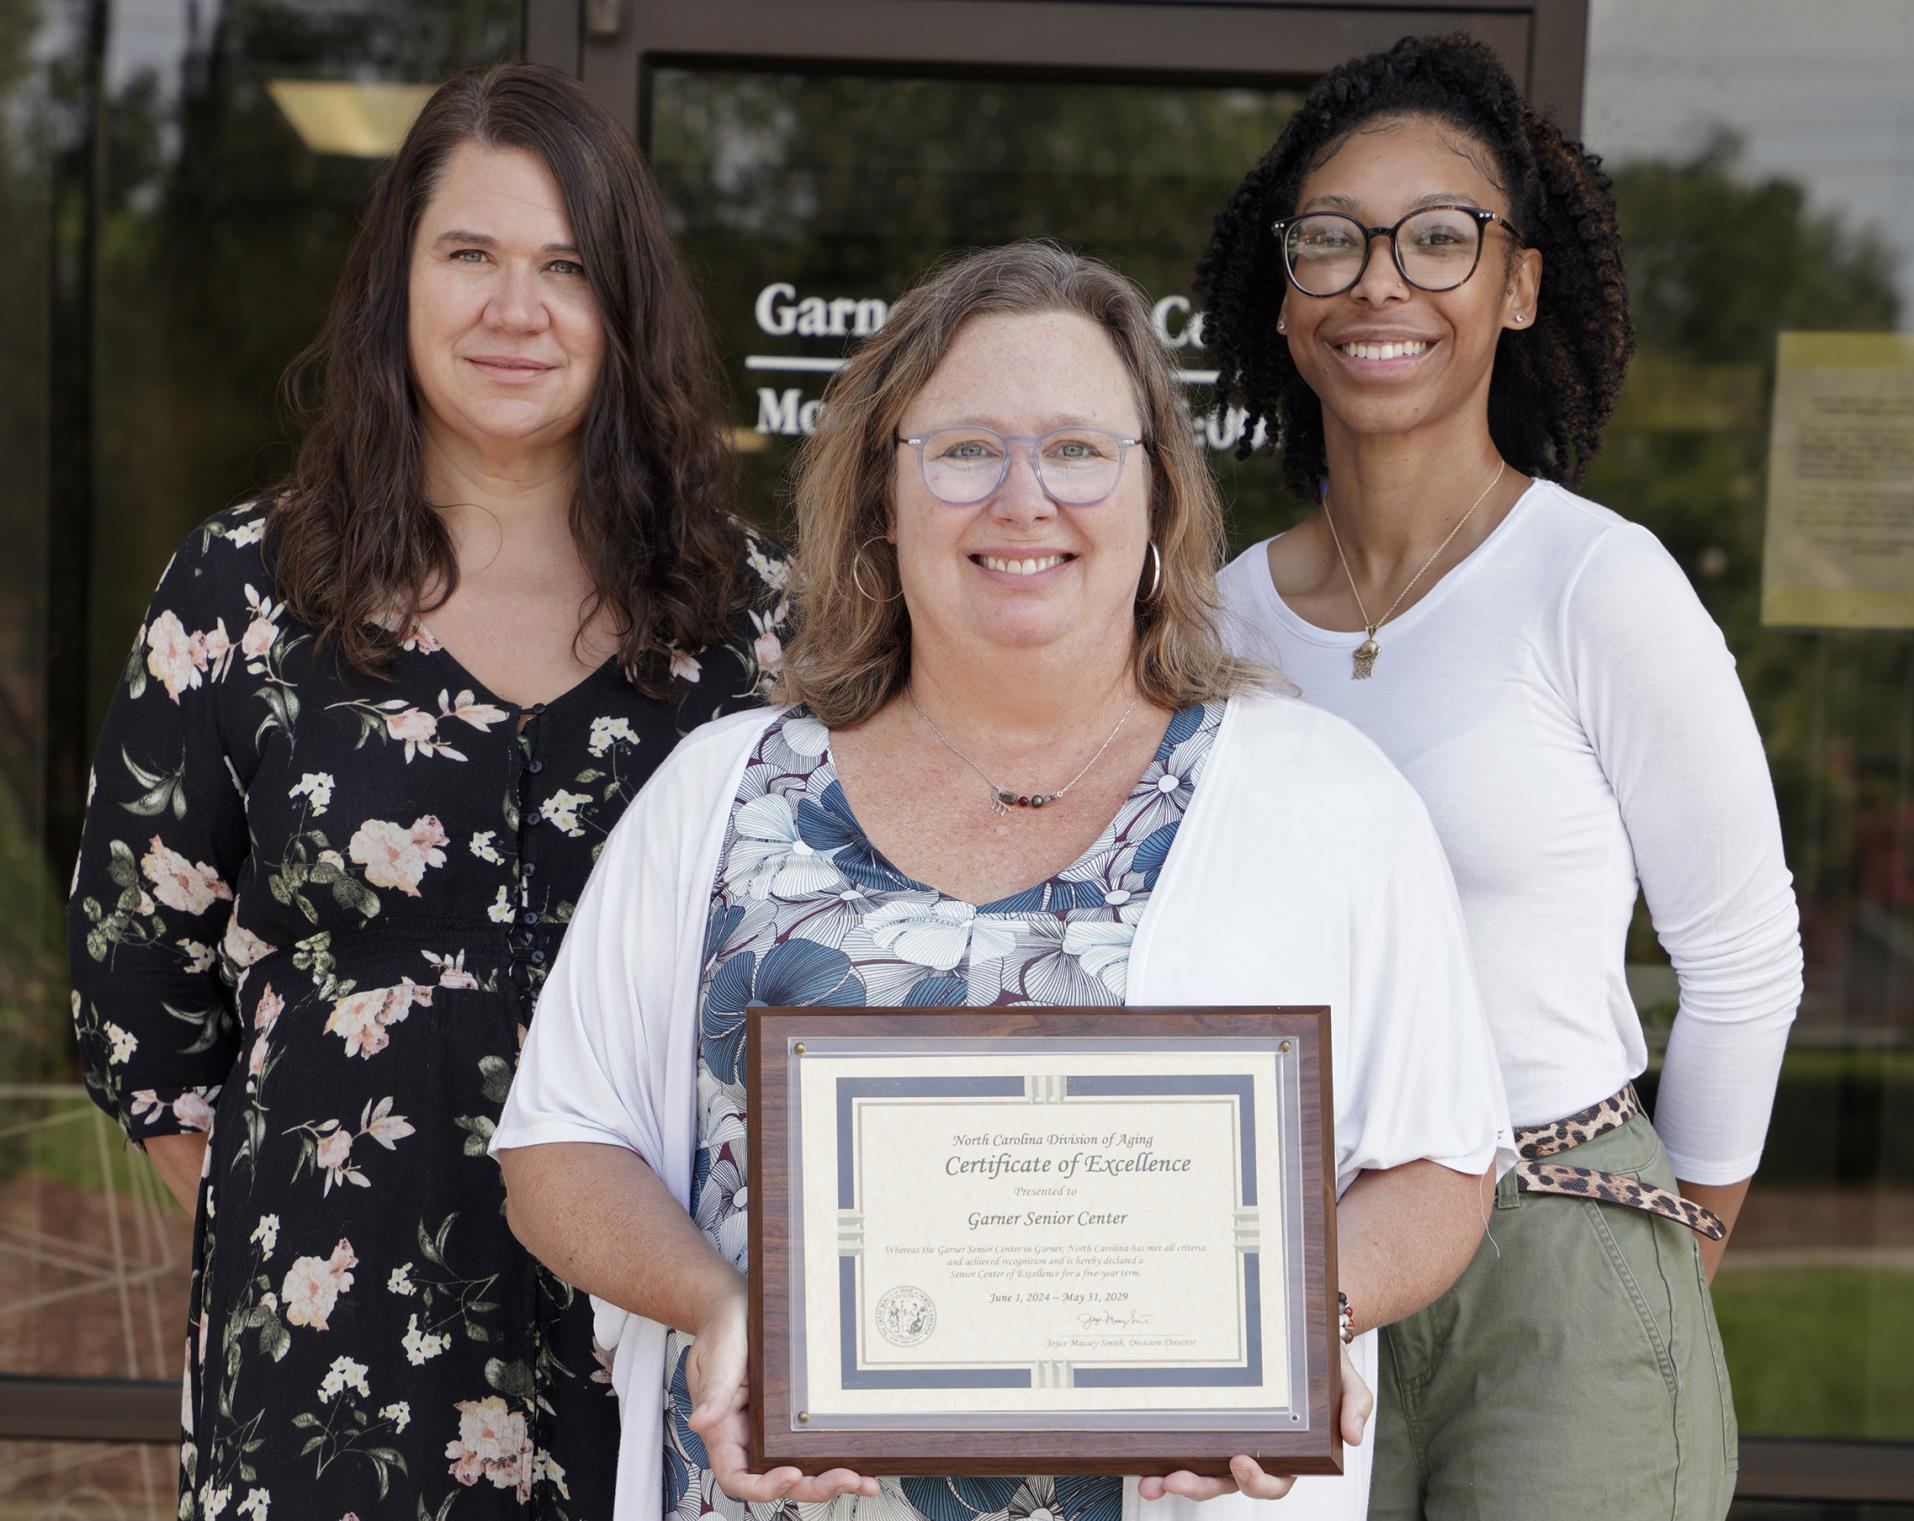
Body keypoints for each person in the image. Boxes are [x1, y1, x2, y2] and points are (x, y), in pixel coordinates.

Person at [490, 240, 1515, 1521]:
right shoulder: (722, 789)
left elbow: (1441, 1169)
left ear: (1157, 499)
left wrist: (1295, 1329)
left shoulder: (1328, 799)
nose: (1024, 499)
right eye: (966, 450)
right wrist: (724, 1308)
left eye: (1080, 450)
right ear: (884, 498)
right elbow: (559, 1148)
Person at [66, 62, 787, 1520]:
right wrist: (284, 1228)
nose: (514, 311)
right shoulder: (242, 596)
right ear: (396, 281)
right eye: (469, 255)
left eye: (566, 268)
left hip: (651, 1338)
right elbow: (138, 993)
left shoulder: (745, 621)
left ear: (624, 308)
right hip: (328, 1352)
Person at [1195, 33, 1803, 1519]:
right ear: (1284, 295)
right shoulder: (1219, 617)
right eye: (1331, 241)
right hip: (1290, 1255)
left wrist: (1656, 1256)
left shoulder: (1595, 582)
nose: (1379, 282)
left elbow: (1740, 963)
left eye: (1438, 239)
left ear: (1515, 287)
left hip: (1554, 1238)